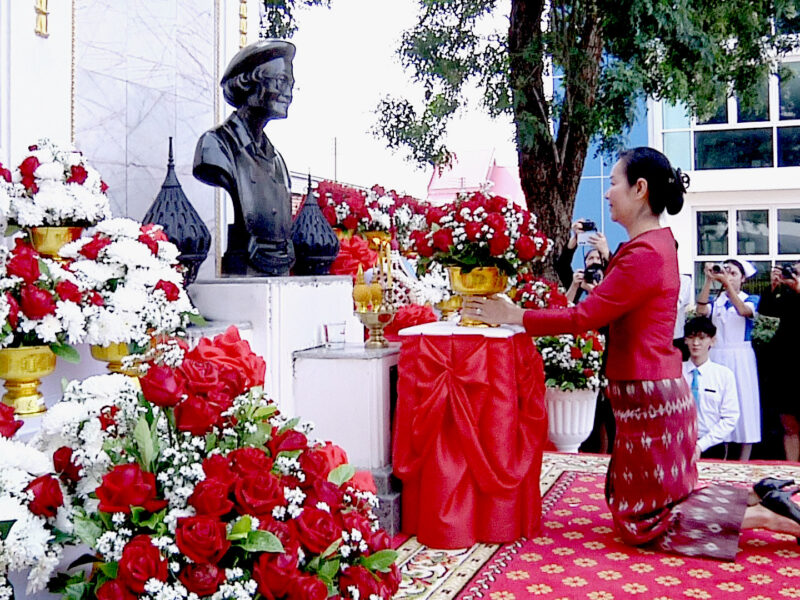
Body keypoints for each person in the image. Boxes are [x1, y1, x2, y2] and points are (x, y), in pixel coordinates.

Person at [462, 146, 800, 560]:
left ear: (640, 189)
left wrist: (516, 314)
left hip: (649, 398)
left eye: (613, 183)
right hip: (654, 394)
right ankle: (757, 498)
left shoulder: (645, 253)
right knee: (645, 504)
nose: (607, 194)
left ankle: (769, 517)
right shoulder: (656, 244)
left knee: (645, 522)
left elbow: (584, 316)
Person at [194, 39, 296, 276]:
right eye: (281, 81)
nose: (288, 93)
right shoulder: (216, 145)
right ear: (249, 82)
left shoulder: (277, 161)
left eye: (291, 84)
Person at [694, 259, 761, 461]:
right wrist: (708, 281)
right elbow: (700, 310)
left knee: (743, 403)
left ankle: (743, 460)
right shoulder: (717, 301)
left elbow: (744, 311)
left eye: (733, 273)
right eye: (726, 272)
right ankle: (718, 453)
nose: (728, 277)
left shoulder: (750, 298)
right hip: (718, 355)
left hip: (740, 357)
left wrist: (728, 287)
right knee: (716, 403)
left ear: (743, 278)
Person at [757, 261, 800, 461]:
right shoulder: (786, 295)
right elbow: (766, 313)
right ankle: (792, 469)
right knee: (788, 422)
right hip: (785, 363)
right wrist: (774, 287)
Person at [682, 316, 739, 460]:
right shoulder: (675, 373)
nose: (696, 343)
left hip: (712, 445)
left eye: (702, 338)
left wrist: (702, 445)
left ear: (712, 341)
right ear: (685, 340)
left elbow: (730, 417)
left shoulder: (724, 375)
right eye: (691, 337)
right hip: (678, 442)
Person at [555, 220, 610, 304]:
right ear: (585, 262)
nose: (594, 261)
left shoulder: (610, 279)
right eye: (591, 258)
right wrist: (575, 238)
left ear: (603, 262)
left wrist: (605, 251)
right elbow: (562, 265)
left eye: (598, 258)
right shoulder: (578, 281)